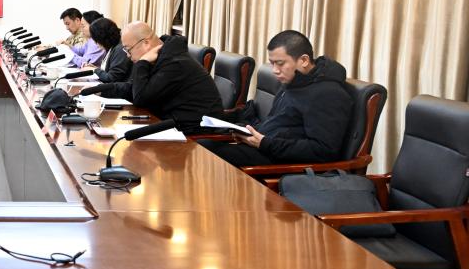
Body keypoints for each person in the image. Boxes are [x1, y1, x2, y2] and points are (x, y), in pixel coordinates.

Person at [199, 30, 354, 166]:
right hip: (266, 148)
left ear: (304, 61)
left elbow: (323, 151)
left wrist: (265, 143)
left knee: (203, 153)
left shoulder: (328, 94)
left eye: (280, 63)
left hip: (283, 162)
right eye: (272, 63)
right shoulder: (293, 82)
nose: (275, 70)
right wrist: (247, 132)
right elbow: (279, 124)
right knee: (201, 147)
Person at [122, 21, 221, 131]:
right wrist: (105, 90)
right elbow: (133, 88)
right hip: (173, 124)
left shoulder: (175, 63)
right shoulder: (161, 57)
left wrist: (142, 62)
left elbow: (140, 99)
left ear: (146, 43)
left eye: (128, 49)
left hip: (195, 132)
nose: (128, 55)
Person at [86, 18, 131, 84]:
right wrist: (95, 68)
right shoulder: (112, 46)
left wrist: (94, 70)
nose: (96, 43)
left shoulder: (120, 49)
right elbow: (108, 71)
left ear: (102, 37)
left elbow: (111, 78)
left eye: (96, 39)